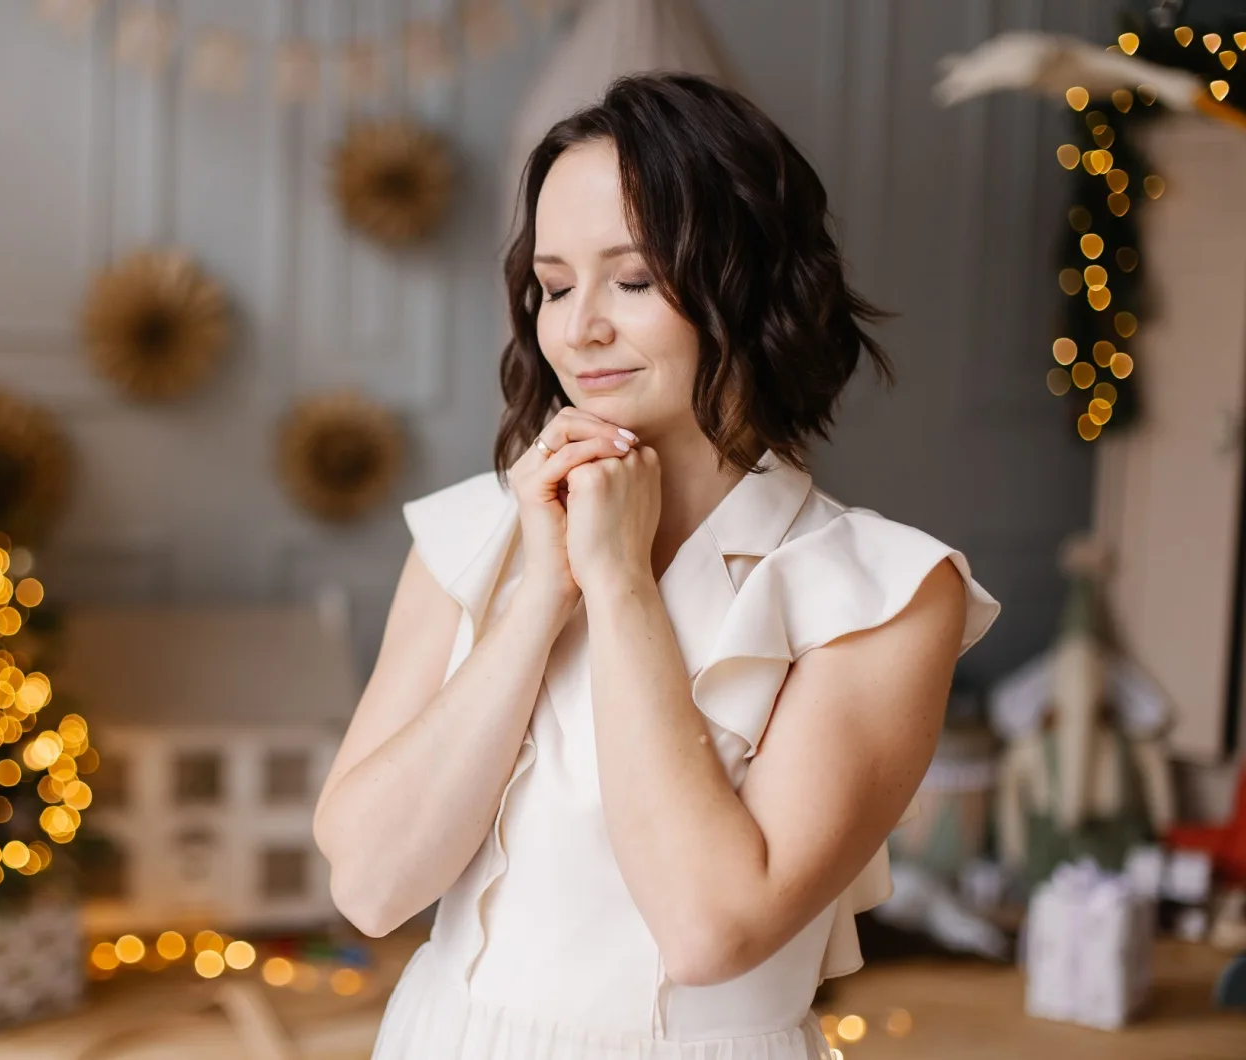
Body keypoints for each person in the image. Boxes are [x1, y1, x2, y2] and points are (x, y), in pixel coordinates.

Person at [312, 72, 1001, 1060]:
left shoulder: (886, 596)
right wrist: (543, 590)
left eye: (632, 279)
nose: (579, 326)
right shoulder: (472, 535)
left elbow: (709, 926)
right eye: (553, 285)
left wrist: (622, 583)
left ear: (751, 281)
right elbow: (370, 885)